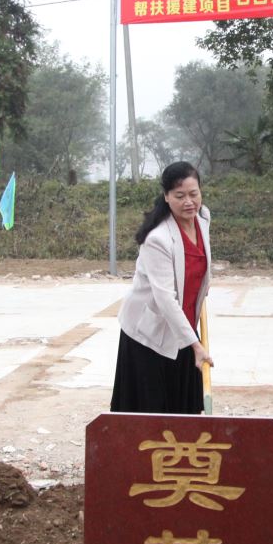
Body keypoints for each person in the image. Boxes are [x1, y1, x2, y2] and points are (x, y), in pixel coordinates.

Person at [112, 161, 213, 414]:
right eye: (180, 196)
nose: (188, 202)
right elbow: (166, 299)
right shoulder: (157, 239)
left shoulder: (202, 219)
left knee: (183, 408)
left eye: (194, 194)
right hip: (149, 334)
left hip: (183, 325)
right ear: (167, 197)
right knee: (152, 410)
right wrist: (196, 346)